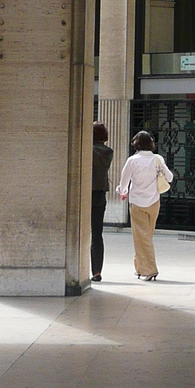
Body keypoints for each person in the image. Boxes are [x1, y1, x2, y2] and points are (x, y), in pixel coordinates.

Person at [116, 130, 174, 281]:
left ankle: (150, 270)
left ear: (136, 144)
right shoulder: (157, 159)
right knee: (145, 236)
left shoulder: (132, 161)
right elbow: (170, 177)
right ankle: (140, 267)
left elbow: (124, 181)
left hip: (137, 202)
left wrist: (122, 191)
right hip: (154, 202)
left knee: (141, 236)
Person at [90, 121, 113, 283]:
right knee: (97, 234)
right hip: (99, 195)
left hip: (85, 194)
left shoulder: (87, 150)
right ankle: (97, 271)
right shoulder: (108, 152)